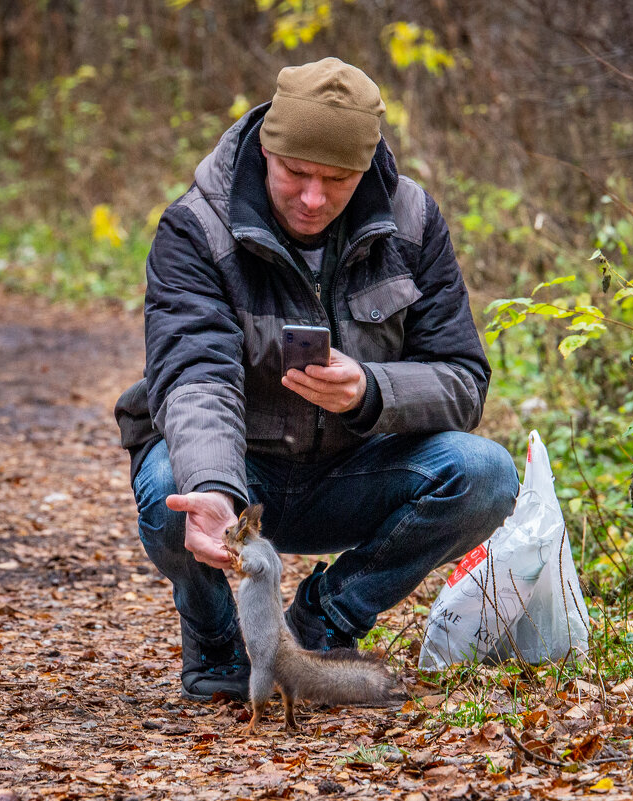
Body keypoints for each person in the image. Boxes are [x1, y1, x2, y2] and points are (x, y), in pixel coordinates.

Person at [115, 57, 519, 702]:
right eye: (296, 173)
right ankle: (219, 647)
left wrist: (373, 392)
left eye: (336, 180)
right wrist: (216, 488)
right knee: (174, 487)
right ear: (267, 149)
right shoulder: (196, 227)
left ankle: (324, 622)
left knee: (487, 474)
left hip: (355, 472)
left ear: (367, 167)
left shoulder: (413, 223)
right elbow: (194, 375)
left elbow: (463, 380)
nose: (313, 198)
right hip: (244, 472)